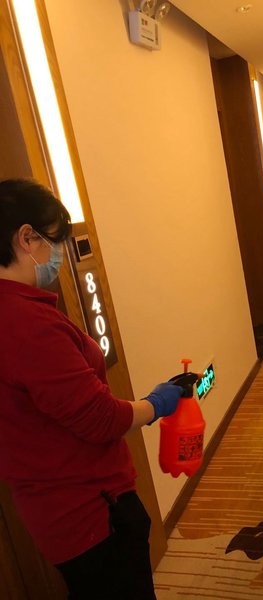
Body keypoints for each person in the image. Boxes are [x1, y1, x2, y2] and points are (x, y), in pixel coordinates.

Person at [0, 178, 183, 599]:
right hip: (90, 511)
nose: (59, 254)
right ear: (26, 238)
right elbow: (101, 420)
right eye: (55, 241)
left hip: (51, 508)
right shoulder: (26, 325)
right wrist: (157, 403)